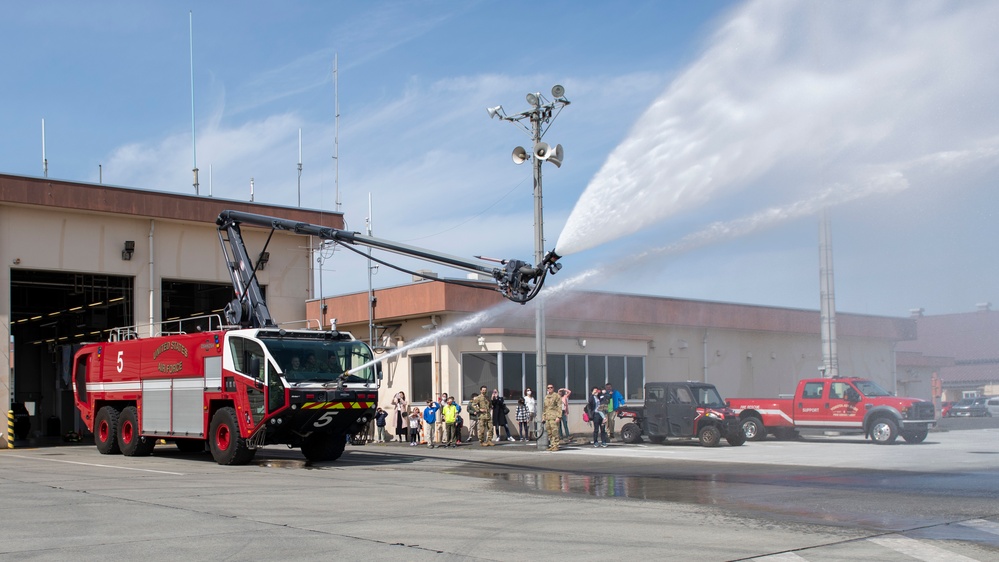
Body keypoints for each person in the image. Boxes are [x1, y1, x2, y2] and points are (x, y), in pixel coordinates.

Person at [542, 384, 562, 451]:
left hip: (554, 417)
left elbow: (559, 407)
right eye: (548, 388)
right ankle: (552, 445)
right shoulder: (546, 397)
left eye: (551, 387)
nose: (550, 389)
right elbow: (545, 408)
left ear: (553, 388)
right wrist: (543, 417)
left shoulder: (556, 396)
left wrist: (558, 417)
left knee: (555, 432)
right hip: (548, 417)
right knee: (549, 432)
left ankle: (556, 445)